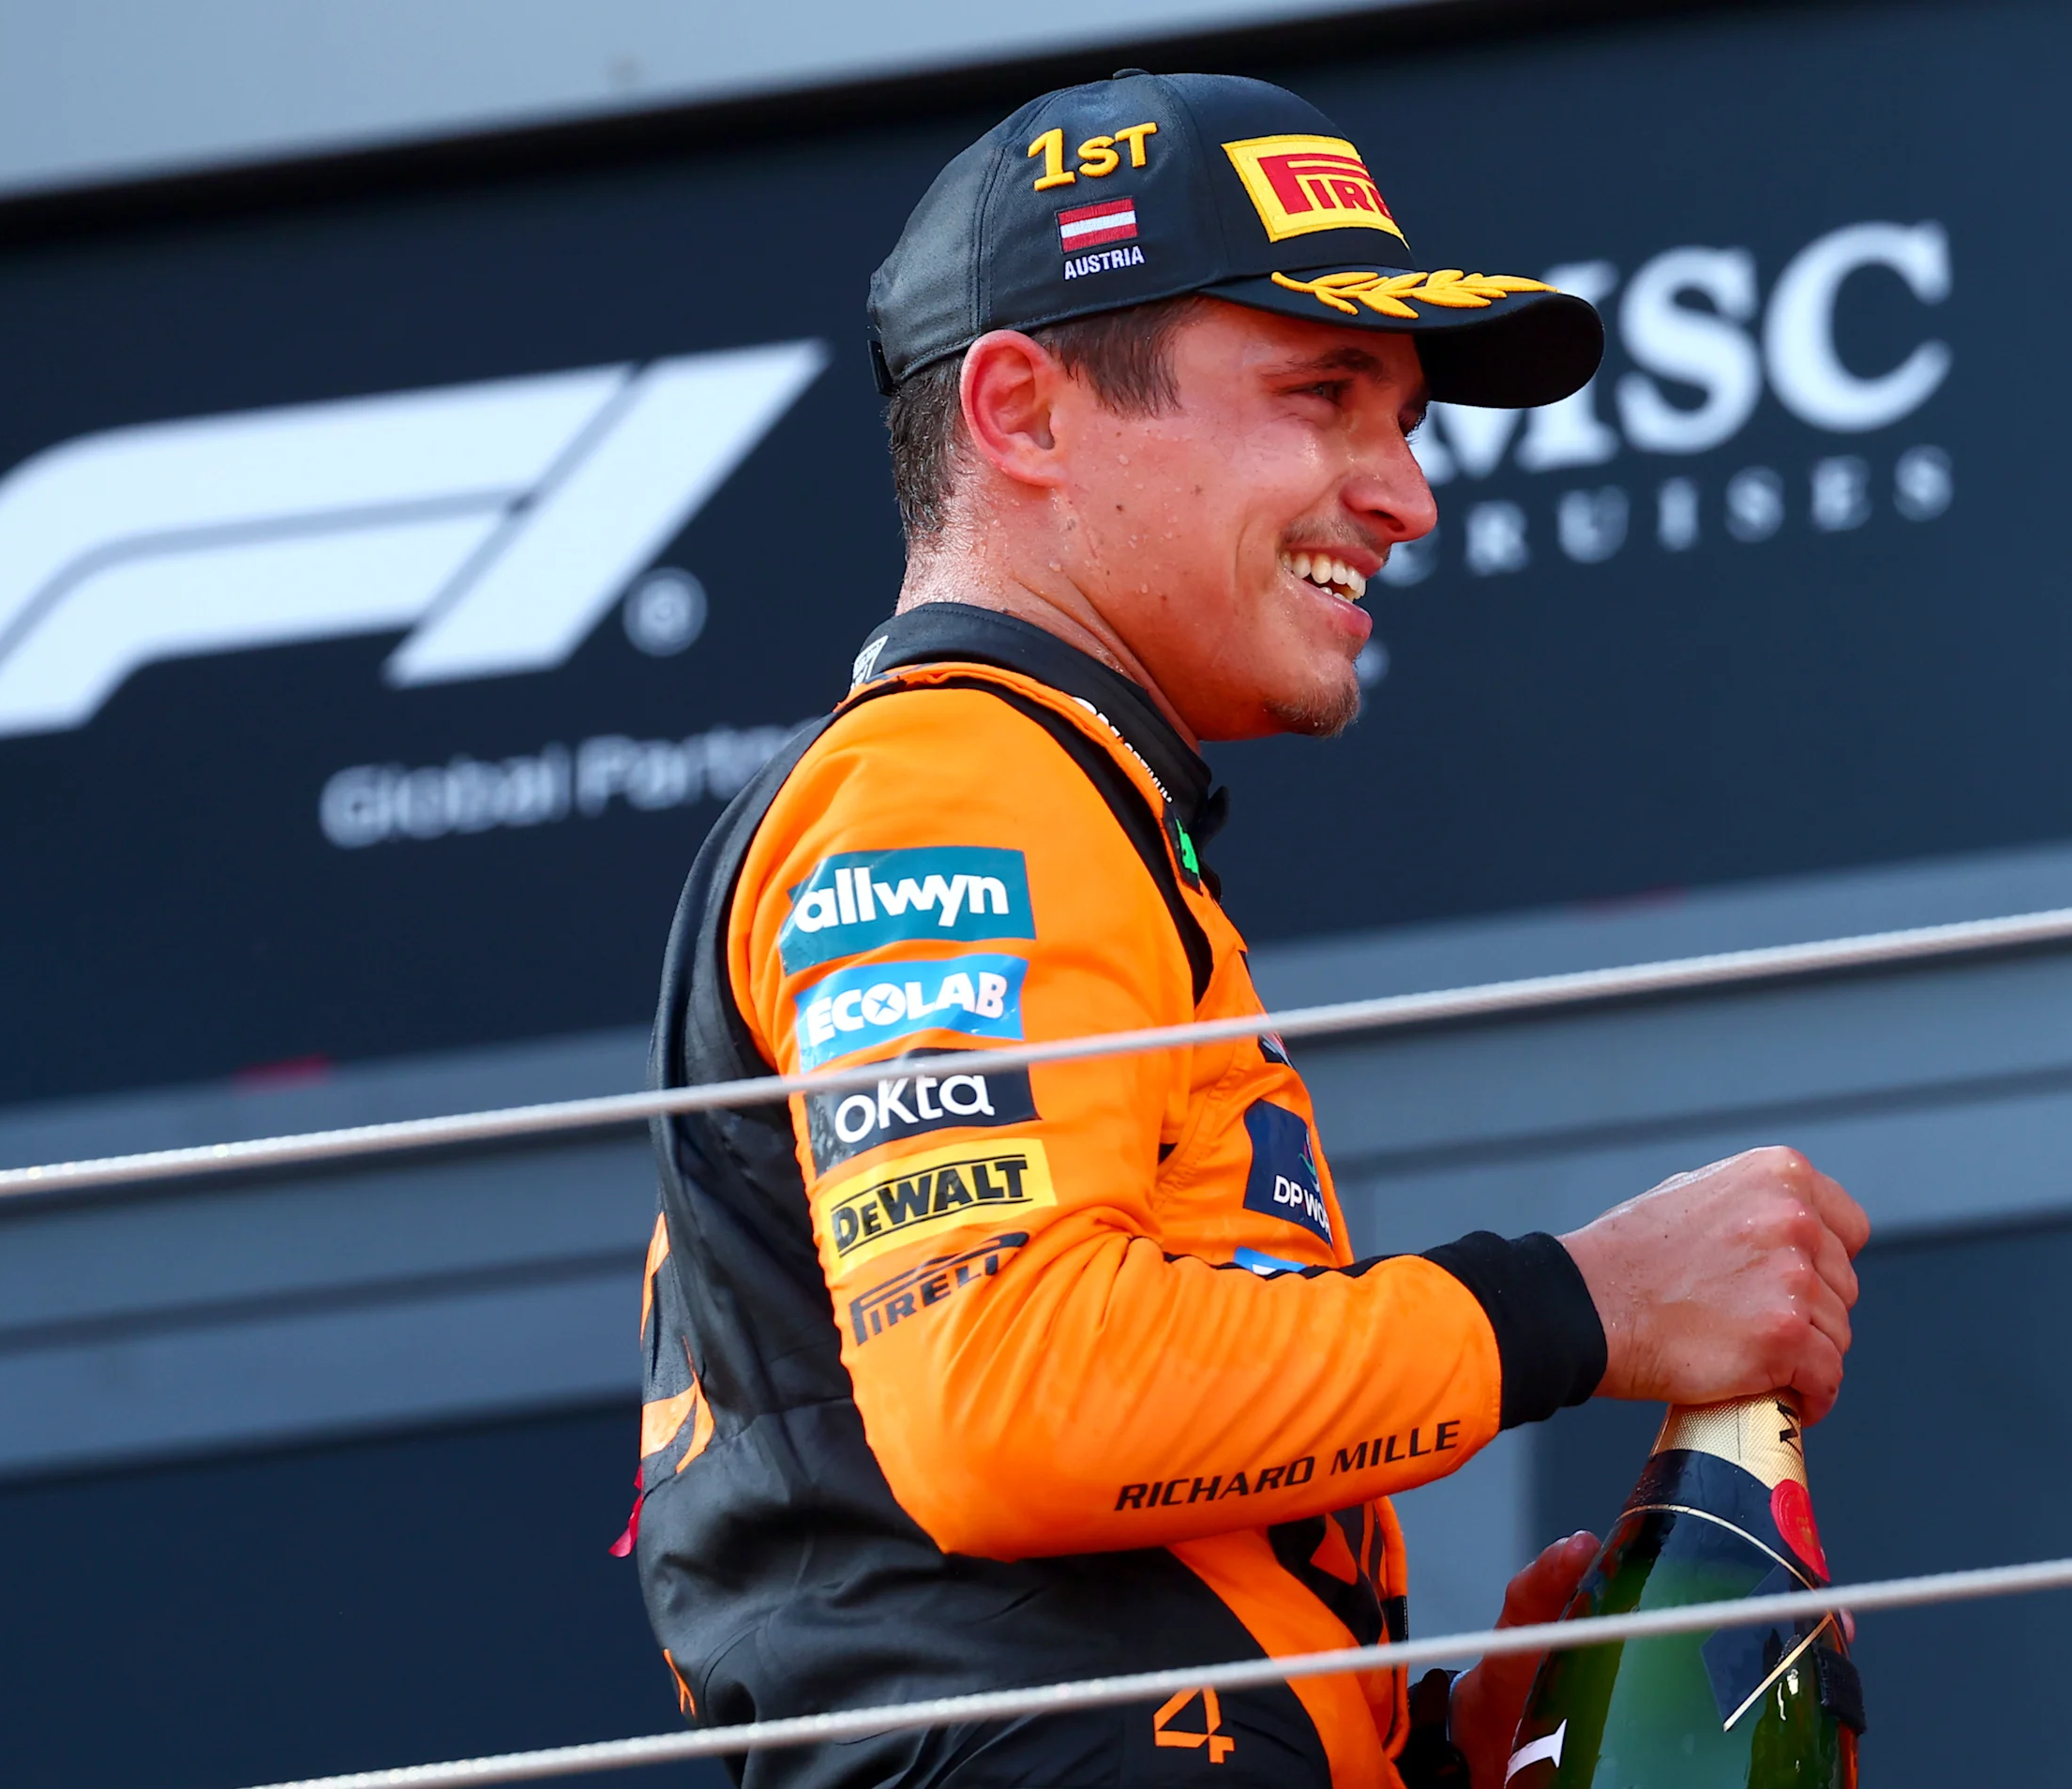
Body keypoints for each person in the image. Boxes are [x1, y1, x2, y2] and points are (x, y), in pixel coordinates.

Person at [629, 68, 1871, 1789]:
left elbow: (1060, 1550)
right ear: (1025, 413)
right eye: (1320, 396)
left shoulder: (1063, 801)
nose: (1405, 493)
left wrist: (1425, 1747)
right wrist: (1584, 1302)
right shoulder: (948, 784)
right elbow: (1007, 1399)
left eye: (1409, 420)